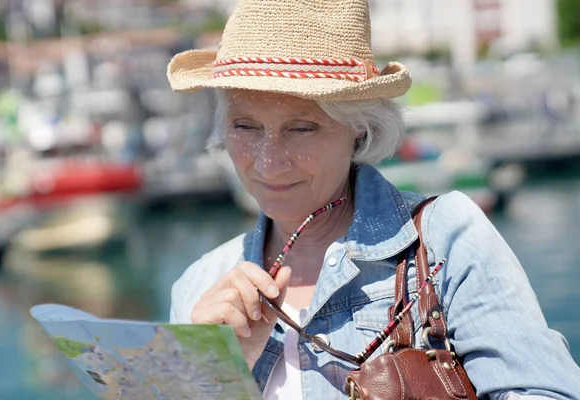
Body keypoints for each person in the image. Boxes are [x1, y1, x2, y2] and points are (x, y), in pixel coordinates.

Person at [166, 0, 580, 398]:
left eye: (302, 129)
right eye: (245, 126)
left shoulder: (444, 239)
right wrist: (216, 375)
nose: (269, 161)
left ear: (360, 130)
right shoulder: (198, 286)